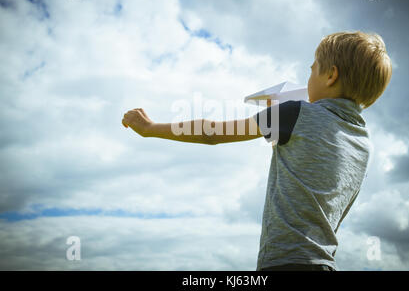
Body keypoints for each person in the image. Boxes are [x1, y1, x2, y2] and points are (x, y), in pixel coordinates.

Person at [122, 31, 392, 271]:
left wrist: (150, 127)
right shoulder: (363, 142)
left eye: (312, 70)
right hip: (324, 263)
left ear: (331, 75)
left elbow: (212, 133)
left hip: (285, 262)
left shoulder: (295, 113)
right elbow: (307, 160)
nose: (308, 77)